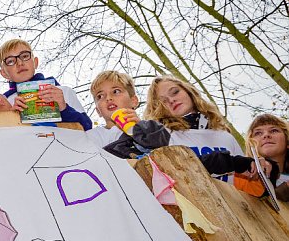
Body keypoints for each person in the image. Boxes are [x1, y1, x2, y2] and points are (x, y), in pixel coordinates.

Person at [106, 75, 275, 183]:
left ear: (189, 91)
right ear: (158, 108)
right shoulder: (163, 136)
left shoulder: (224, 137)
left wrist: (266, 167)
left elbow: (246, 179)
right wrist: (137, 132)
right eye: (163, 100)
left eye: (175, 92)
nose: (171, 100)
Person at [0, 38, 92, 130]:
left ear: (35, 62)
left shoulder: (63, 92)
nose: (20, 63)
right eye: (11, 61)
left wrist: (64, 108)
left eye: (25, 56)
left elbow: (87, 127)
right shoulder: (5, 103)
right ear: (4, 73)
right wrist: (13, 117)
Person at [87, 70, 140, 148]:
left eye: (116, 91)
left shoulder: (151, 130)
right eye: (100, 96)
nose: (108, 98)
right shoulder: (91, 137)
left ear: (133, 101)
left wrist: (141, 129)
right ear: (98, 111)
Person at [247, 114, 289, 201]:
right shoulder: (247, 174)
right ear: (252, 144)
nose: (266, 135)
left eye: (274, 130)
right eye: (258, 133)